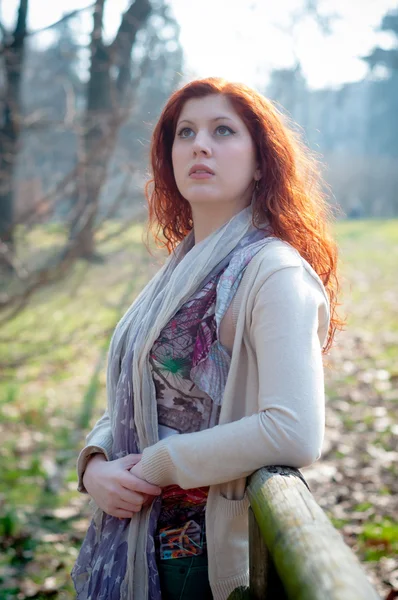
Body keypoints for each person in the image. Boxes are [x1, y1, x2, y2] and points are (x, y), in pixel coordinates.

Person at [71, 77, 343, 600]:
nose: (200, 144)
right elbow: (140, 388)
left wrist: (156, 463)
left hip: (199, 556)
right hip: (134, 538)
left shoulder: (274, 272)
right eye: (185, 132)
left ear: (262, 160)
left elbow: (293, 431)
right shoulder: (180, 267)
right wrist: (98, 464)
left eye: (223, 130)